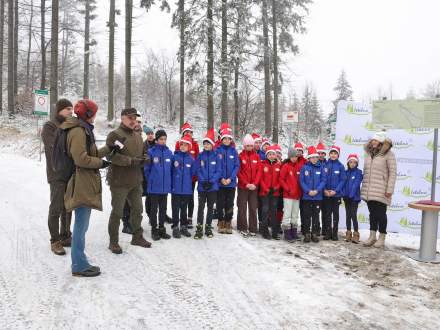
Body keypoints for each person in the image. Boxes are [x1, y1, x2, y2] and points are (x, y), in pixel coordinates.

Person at [62, 99, 111, 277]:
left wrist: (108, 149)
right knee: (81, 225)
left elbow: (90, 153)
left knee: (82, 225)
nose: (96, 116)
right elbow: (81, 159)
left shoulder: (83, 129)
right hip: (81, 182)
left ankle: (80, 261)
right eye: (94, 113)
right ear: (88, 114)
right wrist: (101, 163)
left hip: (85, 181)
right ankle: (79, 265)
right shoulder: (77, 131)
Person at [105, 108, 152, 254]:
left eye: (135, 118)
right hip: (119, 181)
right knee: (117, 213)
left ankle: (137, 237)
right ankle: (113, 242)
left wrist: (145, 158)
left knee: (138, 210)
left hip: (135, 180)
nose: (133, 121)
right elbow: (111, 156)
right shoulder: (116, 135)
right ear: (122, 118)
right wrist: (131, 161)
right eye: (130, 118)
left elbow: (143, 153)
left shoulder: (138, 135)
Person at [41, 98, 74, 255]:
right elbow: (53, 147)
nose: (71, 112)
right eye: (68, 109)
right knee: (56, 207)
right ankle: (55, 240)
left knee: (68, 207)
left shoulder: (69, 126)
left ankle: (65, 235)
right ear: (59, 110)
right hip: (56, 173)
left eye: (72, 109)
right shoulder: (50, 126)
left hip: (69, 173)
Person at [361, 132, 397, 248]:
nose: (373, 142)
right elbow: (366, 171)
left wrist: (389, 189)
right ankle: (372, 236)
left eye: (376, 140)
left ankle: (382, 237)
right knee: (372, 214)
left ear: (381, 142)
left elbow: (393, 173)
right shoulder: (368, 154)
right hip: (369, 190)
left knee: (381, 214)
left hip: (382, 190)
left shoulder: (389, 154)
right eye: (372, 140)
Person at [144, 129, 173, 241]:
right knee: (154, 209)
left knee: (163, 209)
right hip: (154, 187)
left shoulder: (169, 153)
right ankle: (154, 230)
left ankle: (161, 229)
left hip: (165, 188)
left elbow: (170, 170)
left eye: (165, 139)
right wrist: (151, 180)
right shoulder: (151, 152)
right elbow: (147, 169)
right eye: (161, 139)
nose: (163, 141)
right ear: (156, 140)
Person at [194, 129, 220, 239]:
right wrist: (203, 180)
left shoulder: (216, 156)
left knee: (210, 208)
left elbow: (219, 171)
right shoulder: (200, 156)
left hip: (213, 187)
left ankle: (208, 226)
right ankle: (199, 227)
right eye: (204, 143)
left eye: (208, 143)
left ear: (212, 144)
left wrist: (211, 181)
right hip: (202, 186)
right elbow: (197, 169)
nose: (206, 145)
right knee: (201, 207)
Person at [171, 135, 196, 238]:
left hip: (186, 189)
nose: (183, 146)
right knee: (175, 208)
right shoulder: (174, 157)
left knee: (184, 208)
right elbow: (171, 172)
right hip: (176, 189)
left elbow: (193, 173)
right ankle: (175, 226)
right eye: (181, 144)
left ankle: (183, 226)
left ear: (189, 147)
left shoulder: (191, 159)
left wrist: (188, 185)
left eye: (185, 145)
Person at [300, 146, 327, 243]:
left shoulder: (322, 167)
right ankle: (307, 233)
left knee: (316, 215)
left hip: (317, 197)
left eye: (316, 157)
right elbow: (302, 181)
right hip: (307, 197)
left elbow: (324, 181)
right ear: (309, 158)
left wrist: (317, 190)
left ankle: (314, 233)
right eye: (312, 157)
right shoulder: (304, 168)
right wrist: (308, 191)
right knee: (307, 215)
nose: (314, 159)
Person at [216, 126, 240, 234]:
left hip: (231, 183)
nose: (226, 140)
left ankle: (228, 222)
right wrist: (221, 178)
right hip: (220, 183)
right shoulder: (217, 151)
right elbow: (216, 166)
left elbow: (236, 166)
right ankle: (221, 221)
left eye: (228, 139)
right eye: (224, 138)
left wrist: (230, 178)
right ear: (221, 139)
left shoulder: (234, 151)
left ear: (231, 140)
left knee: (230, 204)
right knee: (220, 203)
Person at [237, 134, 261, 237]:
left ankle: (253, 228)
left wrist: (255, 184)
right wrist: (246, 184)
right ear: (244, 146)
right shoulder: (240, 156)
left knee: (253, 207)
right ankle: (242, 226)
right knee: (242, 207)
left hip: (254, 187)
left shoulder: (256, 156)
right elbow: (239, 172)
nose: (249, 147)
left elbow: (259, 171)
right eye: (247, 146)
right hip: (243, 187)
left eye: (251, 145)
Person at [322, 145, 346, 241]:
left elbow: (342, 180)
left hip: (336, 195)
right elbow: (322, 179)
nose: (333, 155)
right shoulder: (325, 165)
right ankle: (328, 233)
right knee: (327, 214)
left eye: (335, 153)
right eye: (331, 153)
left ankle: (335, 233)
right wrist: (325, 190)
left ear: (338, 155)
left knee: (335, 214)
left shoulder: (340, 166)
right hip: (326, 194)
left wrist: (335, 191)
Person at [259, 145, 282, 239]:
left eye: (273, 154)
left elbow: (281, 179)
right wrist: (266, 189)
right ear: (266, 155)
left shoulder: (279, 165)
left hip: (275, 193)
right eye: (270, 154)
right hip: (265, 192)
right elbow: (260, 178)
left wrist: (276, 188)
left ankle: (274, 232)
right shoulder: (263, 164)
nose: (272, 156)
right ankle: (265, 231)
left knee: (274, 212)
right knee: (265, 211)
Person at [280, 147, 302, 242]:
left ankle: (294, 232)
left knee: (295, 214)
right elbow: (281, 179)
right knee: (287, 214)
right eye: (292, 157)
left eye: (295, 156)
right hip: (288, 195)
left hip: (297, 195)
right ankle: (287, 233)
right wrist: (287, 189)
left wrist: (299, 191)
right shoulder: (285, 166)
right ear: (289, 157)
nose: (294, 158)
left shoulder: (299, 166)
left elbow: (300, 180)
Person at [343, 154, 363, 243]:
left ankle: (356, 233)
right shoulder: (346, 172)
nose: (352, 164)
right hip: (346, 198)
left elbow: (356, 184)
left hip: (354, 198)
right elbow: (343, 184)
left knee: (353, 215)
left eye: (354, 162)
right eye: (350, 162)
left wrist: (351, 195)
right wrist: (344, 194)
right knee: (348, 215)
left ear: (357, 163)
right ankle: (348, 232)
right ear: (348, 163)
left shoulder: (359, 172)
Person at [142, 126, 156, 225]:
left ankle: (159, 215)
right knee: (149, 196)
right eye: (148, 134)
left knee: (157, 196)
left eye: (151, 133)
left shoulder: (157, 143)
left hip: (156, 174)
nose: (150, 135)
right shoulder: (143, 145)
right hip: (146, 174)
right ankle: (150, 216)